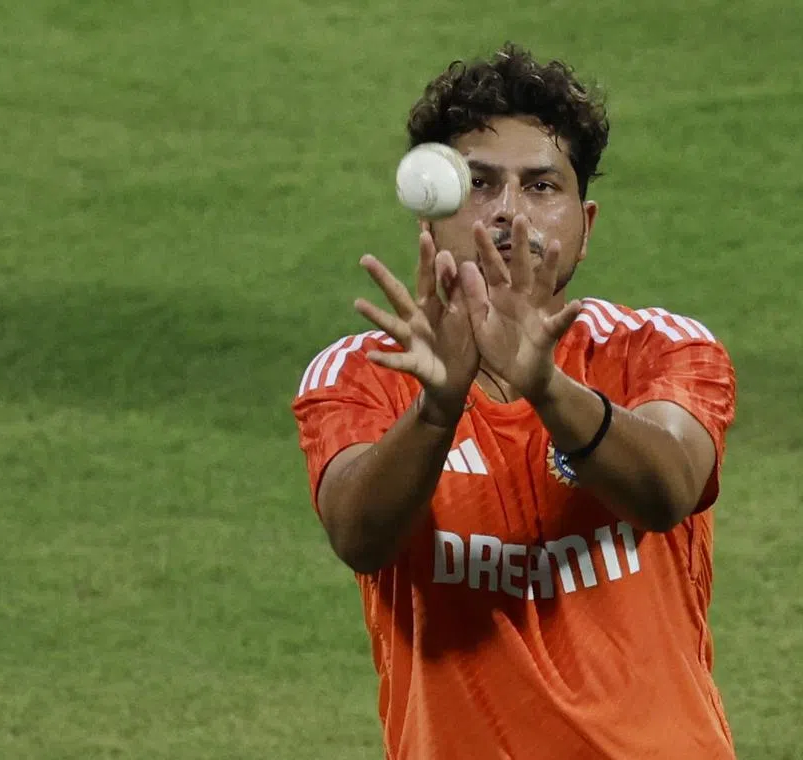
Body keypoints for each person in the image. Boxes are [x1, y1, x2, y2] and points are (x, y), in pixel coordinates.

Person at [292, 42, 737, 759]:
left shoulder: (658, 349)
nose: (508, 214)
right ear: (431, 220)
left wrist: (546, 387)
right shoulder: (364, 372)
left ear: (585, 226)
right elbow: (359, 535)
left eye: (540, 187)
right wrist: (436, 410)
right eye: (478, 184)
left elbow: (667, 490)